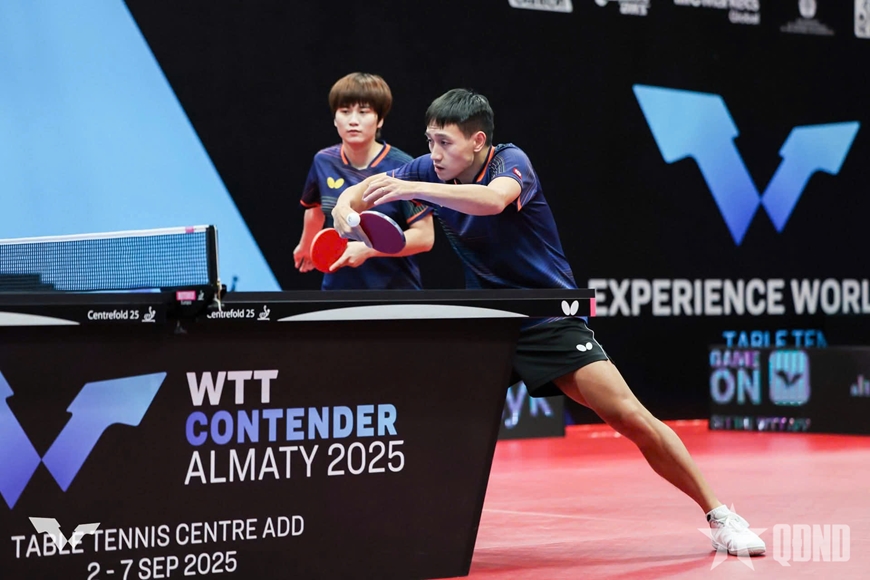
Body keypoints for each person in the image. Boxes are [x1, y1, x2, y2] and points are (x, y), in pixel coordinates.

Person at [331, 88, 766, 557]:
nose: (434, 153)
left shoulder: (510, 162)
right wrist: (344, 208)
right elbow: (361, 190)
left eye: (445, 143)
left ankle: (720, 515)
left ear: (477, 141)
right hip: (488, 327)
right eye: (430, 141)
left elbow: (492, 201)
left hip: (547, 320)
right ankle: (394, 524)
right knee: (429, 420)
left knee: (629, 415)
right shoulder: (429, 169)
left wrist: (414, 189)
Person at [293, 72, 433, 289]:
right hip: (338, 288)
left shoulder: (403, 166)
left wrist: (368, 249)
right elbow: (316, 209)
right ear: (335, 118)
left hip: (396, 290)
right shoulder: (323, 161)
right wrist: (306, 245)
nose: (353, 121)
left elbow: (425, 237)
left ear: (380, 119)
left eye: (363, 112)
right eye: (345, 111)